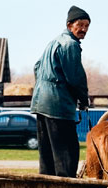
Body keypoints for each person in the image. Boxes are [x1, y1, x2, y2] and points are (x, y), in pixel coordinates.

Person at [30, 5, 90, 178]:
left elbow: (37, 67)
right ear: (70, 24)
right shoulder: (70, 45)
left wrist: (44, 88)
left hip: (40, 103)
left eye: (87, 26)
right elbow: (75, 78)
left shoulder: (54, 42)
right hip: (58, 106)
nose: (84, 29)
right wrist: (83, 100)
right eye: (80, 25)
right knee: (67, 152)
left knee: (47, 153)